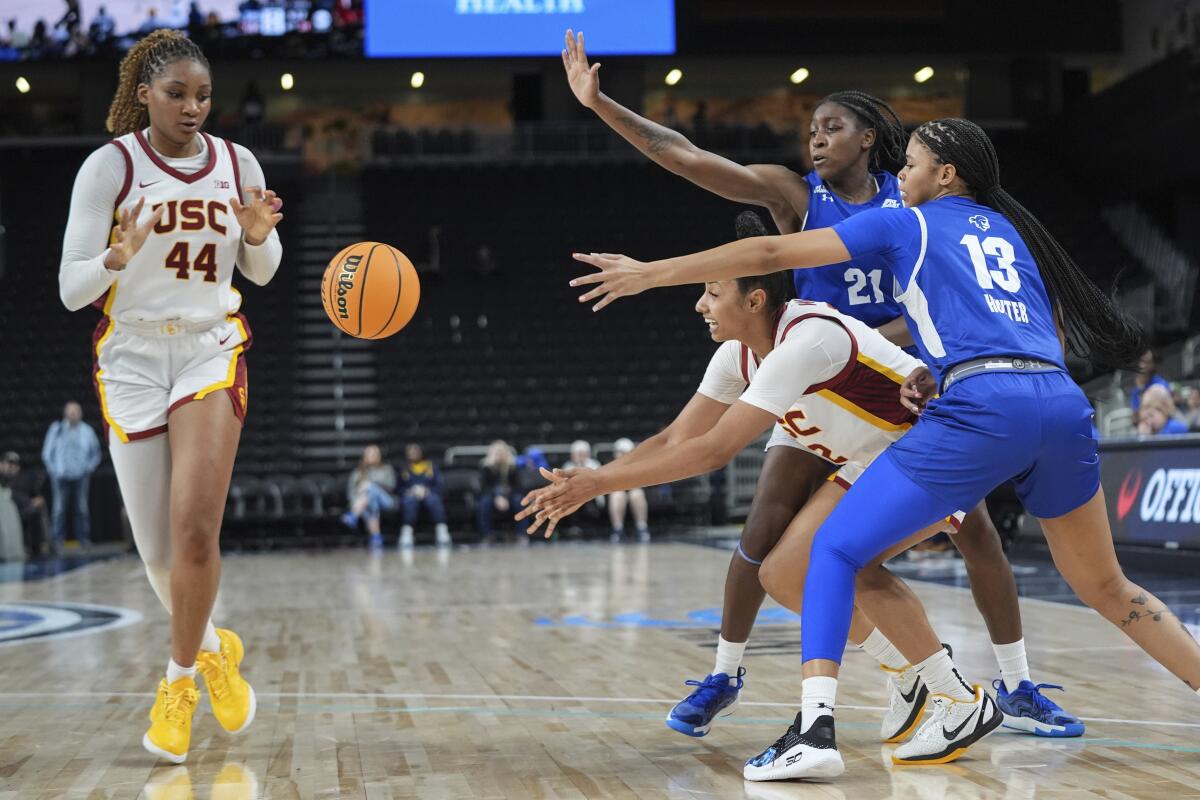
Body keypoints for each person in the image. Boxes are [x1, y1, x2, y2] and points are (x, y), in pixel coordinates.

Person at [568, 117, 1200, 781]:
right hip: (1061, 402)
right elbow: (1019, 324)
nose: (901, 177)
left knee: (833, 549)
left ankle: (815, 728)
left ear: (945, 176)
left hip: (984, 411)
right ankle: (951, 691)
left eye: (914, 165)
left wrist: (653, 273)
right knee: (1106, 585)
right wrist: (938, 363)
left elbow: (769, 257)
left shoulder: (907, 223)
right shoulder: (1008, 231)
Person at [562, 31, 1074, 745]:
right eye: (810, 130)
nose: (816, 140)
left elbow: (945, 291)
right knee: (766, 531)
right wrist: (602, 104)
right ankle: (726, 670)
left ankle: (1013, 684)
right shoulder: (794, 196)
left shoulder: (910, 204)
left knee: (977, 532)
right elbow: (685, 157)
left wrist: (890, 344)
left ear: (870, 137)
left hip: (884, 380)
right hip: (808, 374)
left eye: (832, 127)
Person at [520, 271, 989, 777]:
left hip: (939, 448)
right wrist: (594, 479)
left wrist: (598, 486)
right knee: (783, 574)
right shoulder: (736, 354)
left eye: (713, 294)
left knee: (850, 561)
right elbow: (679, 437)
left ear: (756, 300)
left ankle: (956, 695)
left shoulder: (808, 340)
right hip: (877, 460)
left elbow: (715, 451)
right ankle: (907, 671)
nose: (701, 305)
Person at [58, 29, 284, 763]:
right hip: (129, 356)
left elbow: (266, 271)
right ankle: (216, 649)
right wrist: (115, 257)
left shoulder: (237, 162)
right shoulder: (109, 168)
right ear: (144, 94)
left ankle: (178, 682)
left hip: (207, 347)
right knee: (158, 556)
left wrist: (255, 236)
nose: (193, 107)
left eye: (204, 95)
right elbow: (70, 290)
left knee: (193, 531)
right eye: (178, 93)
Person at [42, 401, 102, 552]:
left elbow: (96, 453)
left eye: (76, 411)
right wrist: (53, 471)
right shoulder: (56, 429)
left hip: (81, 475)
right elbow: (46, 453)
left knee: (81, 508)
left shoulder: (87, 430)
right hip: (60, 476)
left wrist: (89, 468)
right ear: (65, 413)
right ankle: (57, 541)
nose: (73, 414)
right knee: (59, 509)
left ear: (80, 413)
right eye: (70, 411)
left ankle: (83, 539)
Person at [342, 444, 396, 549]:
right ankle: (376, 537)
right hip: (363, 503)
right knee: (371, 501)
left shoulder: (387, 469)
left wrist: (371, 485)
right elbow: (351, 493)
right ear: (364, 457)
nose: (374, 456)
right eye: (370, 454)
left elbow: (392, 486)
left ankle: (353, 515)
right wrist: (360, 499)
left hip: (386, 501)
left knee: (371, 488)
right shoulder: (357, 473)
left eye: (376, 454)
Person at [398, 443, 450, 548]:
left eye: (416, 451)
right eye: (411, 451)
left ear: (421, 452)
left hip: (428, 493)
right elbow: (398, 487)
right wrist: (408, 491)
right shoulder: (403, 468)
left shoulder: (431, 466)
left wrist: (427, 490)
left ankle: (441, 530)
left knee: (434, 500)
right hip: (411, 494)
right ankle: (407, 531)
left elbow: (439, 485)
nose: (413, 453)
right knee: (409, 501)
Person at [476, 440, 527, 543]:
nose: (499, 455)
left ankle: (521, 534)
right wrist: (497, 497)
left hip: (509, 495)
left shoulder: (512, 466)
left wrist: (505, 497)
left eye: (501, 453)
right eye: (496, 453)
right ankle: (487, 535)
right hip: (491, 495)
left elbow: (517, 487)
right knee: (484, 502)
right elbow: (484, 488)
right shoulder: (485, 467)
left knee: (519, 501)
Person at [2, 451, 50, 558]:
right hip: (4, 514)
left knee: (35, 509)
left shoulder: (23, 479)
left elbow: (36, 497)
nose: (11, 466)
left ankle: (39, 546)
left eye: (14, 464)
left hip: (19, 511)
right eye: (8, 463)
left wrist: (33, 502)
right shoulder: (3, 479)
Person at [606, 438, 649, 543]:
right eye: (620, 452)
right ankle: (617, 529)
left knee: (636, 494)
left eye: (625, 452)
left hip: (634, 491)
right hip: (616, 492)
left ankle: (642, 528)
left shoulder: (639, 465)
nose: (622, 455)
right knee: (617, 495)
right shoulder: (609, 465)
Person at [1130, 347, 1170, 412]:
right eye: (1140, 361)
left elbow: (1165, 410)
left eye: (1147, 362)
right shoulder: (1136, 391)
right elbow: (1135, 414)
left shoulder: (1160, 384)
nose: (1142, 365)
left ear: (1153, 365)